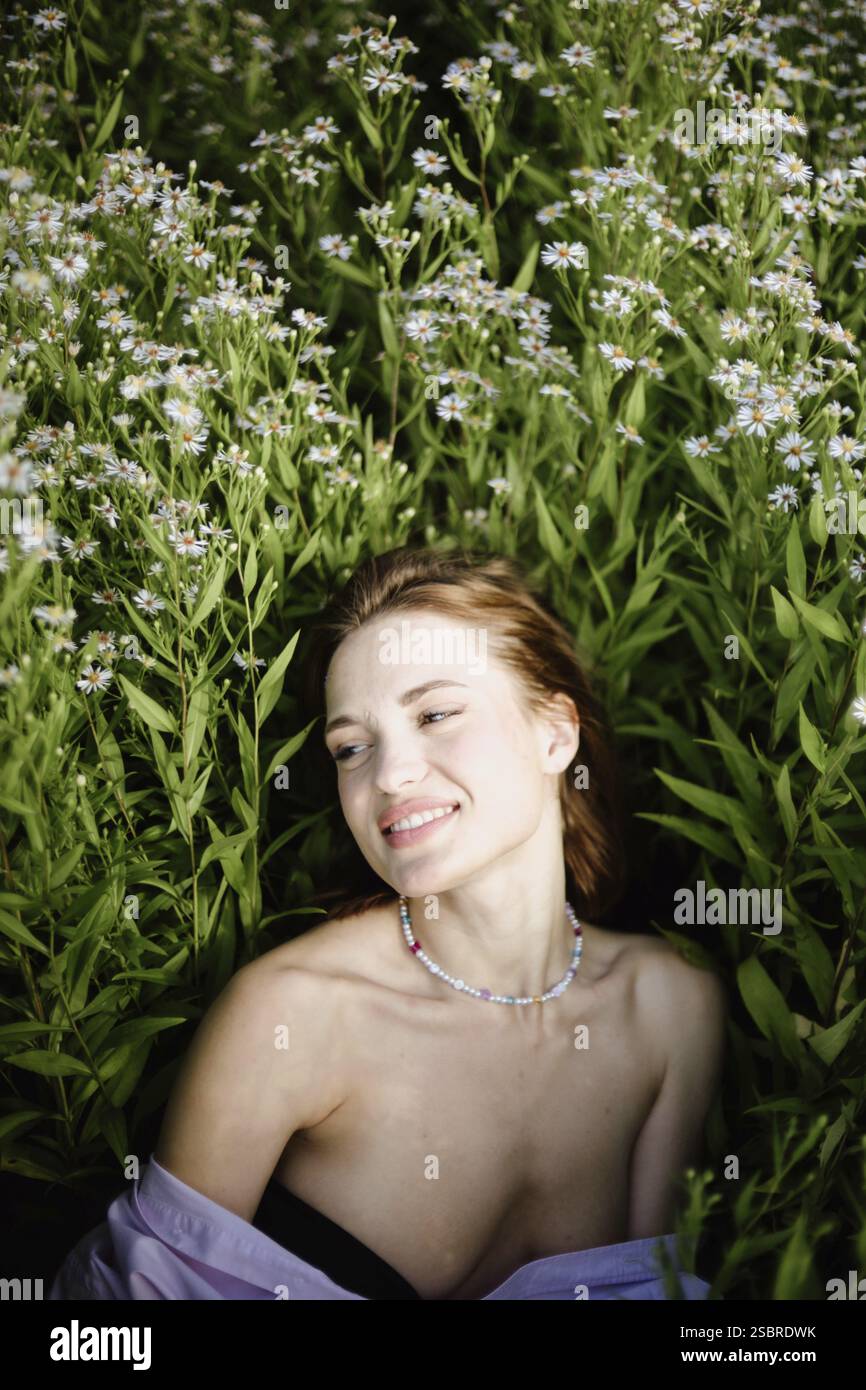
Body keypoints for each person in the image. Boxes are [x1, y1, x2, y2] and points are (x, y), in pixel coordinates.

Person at [50, 546, 726, 1300]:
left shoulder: (671, 1008)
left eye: (435, 713)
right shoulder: (290, 1014)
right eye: (352, 747)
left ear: (555, 734)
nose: (390, 774)